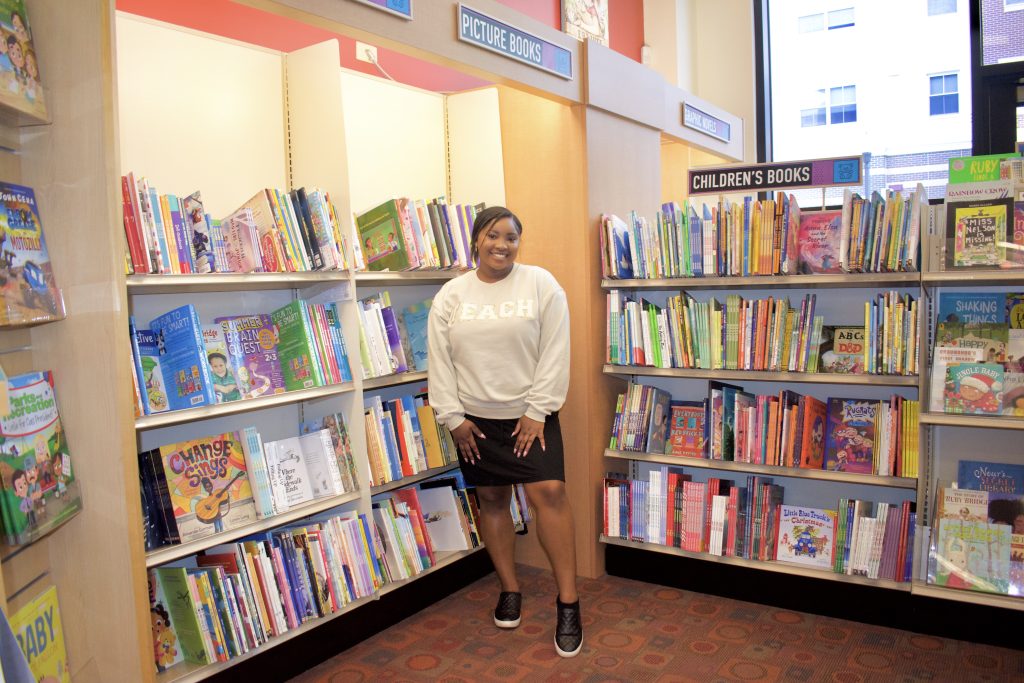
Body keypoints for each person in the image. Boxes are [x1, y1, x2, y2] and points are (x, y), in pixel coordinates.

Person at [427, 206, 581, 657]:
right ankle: (509, 588)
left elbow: (555, 350)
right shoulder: (451, 295)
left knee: (549, 494)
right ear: (477, 240)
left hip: (530, 416)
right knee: (492, 499)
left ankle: (568, 602)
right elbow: (440, 360)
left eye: (511, 237)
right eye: (493, 235)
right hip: (474, 422)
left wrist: (537, 411)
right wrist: (452, 418)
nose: (502, 244)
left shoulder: (540, 284)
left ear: (519, 243)